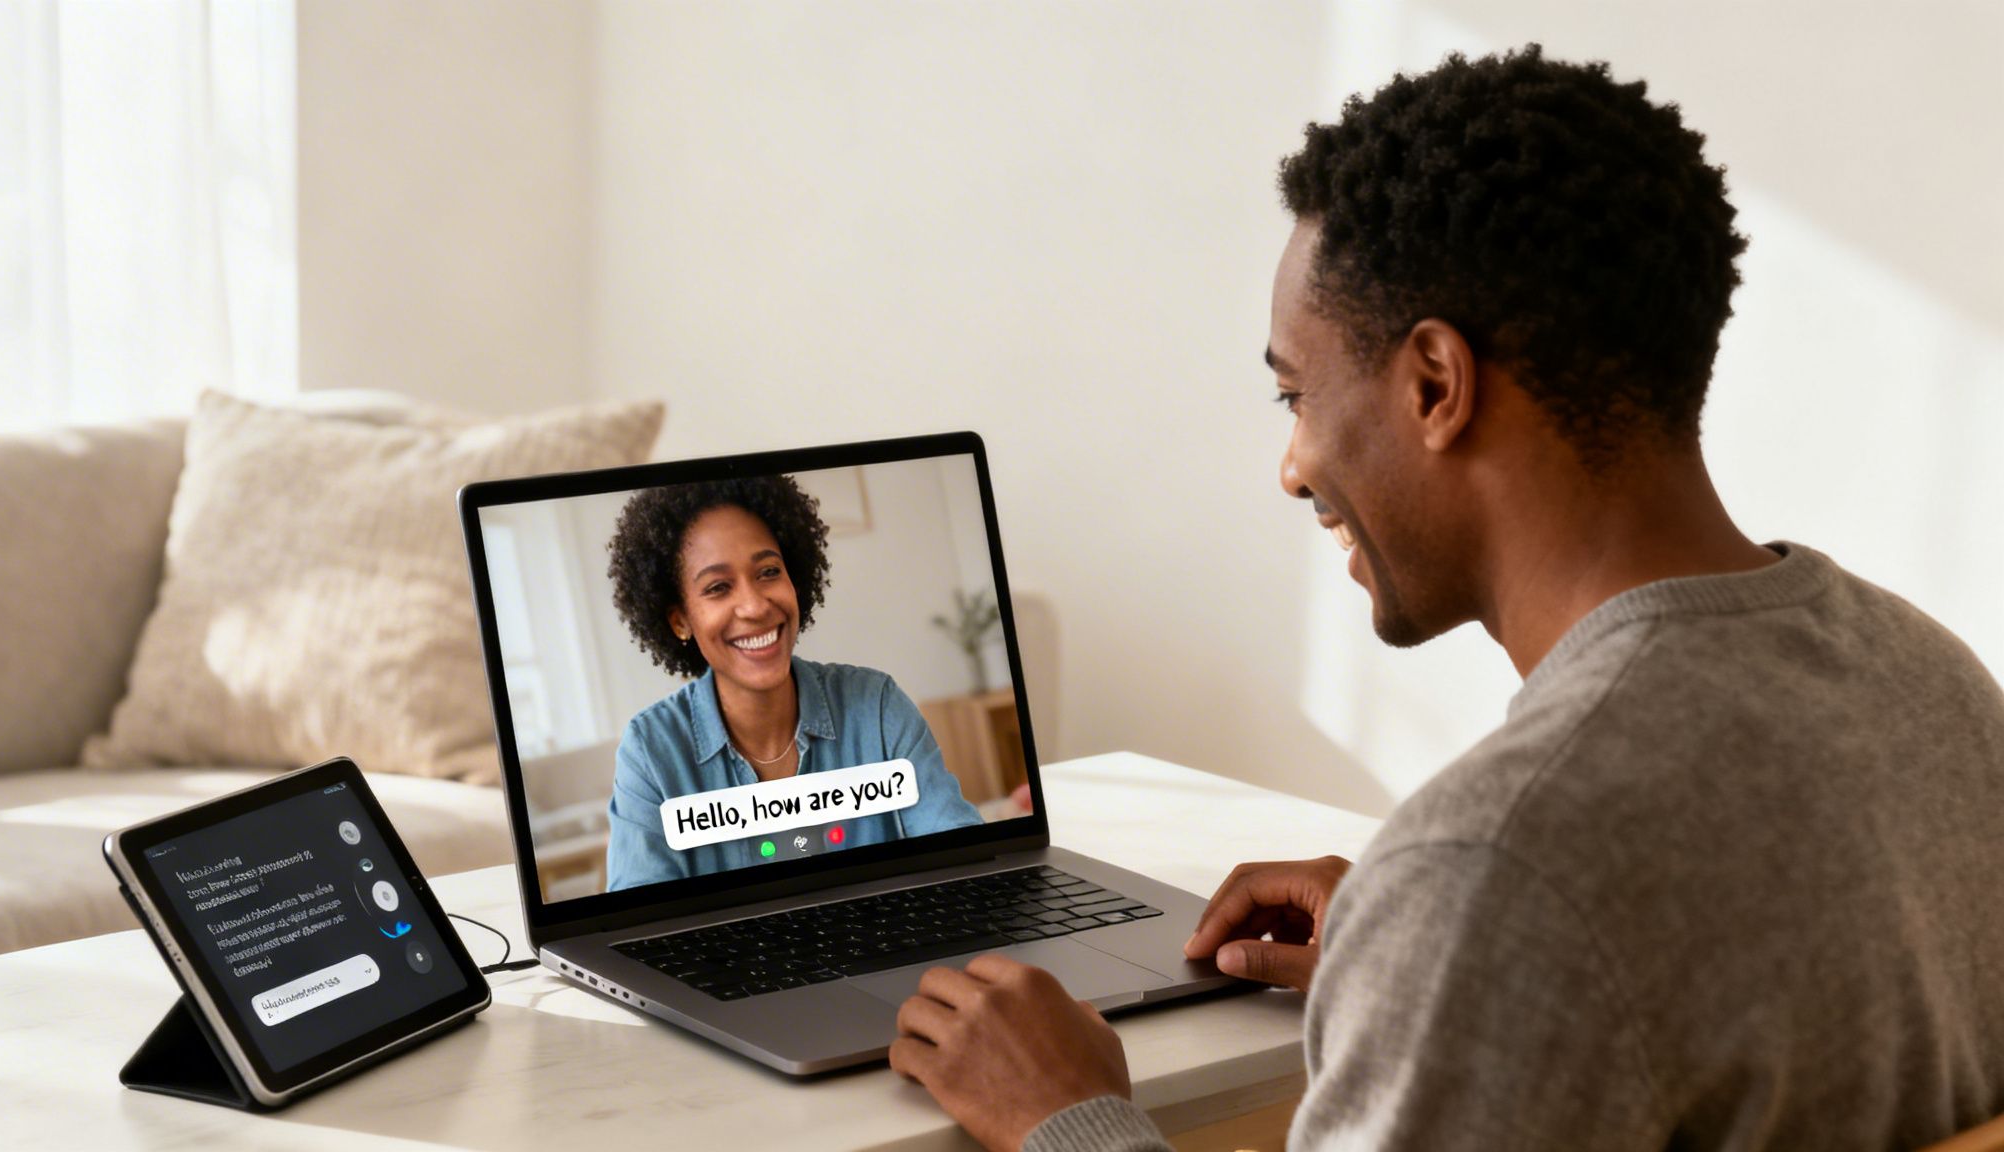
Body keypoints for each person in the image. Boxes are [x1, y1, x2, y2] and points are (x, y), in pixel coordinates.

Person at [889, 45, 2004, 1150]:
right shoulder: (1934, 684)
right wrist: (1418, 966)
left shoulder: (1493, 869)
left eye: (1294, 394)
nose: (1291, 465)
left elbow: (1538, 884)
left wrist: (1067, 1117)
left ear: (1433, 384)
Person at [604, 475, 983, 890]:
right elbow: (640, 928)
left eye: (768, 571)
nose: (754, 605)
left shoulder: (876, 706)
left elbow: (964, 866)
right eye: (718, 587)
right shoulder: (652, 751)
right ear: (680, 620)